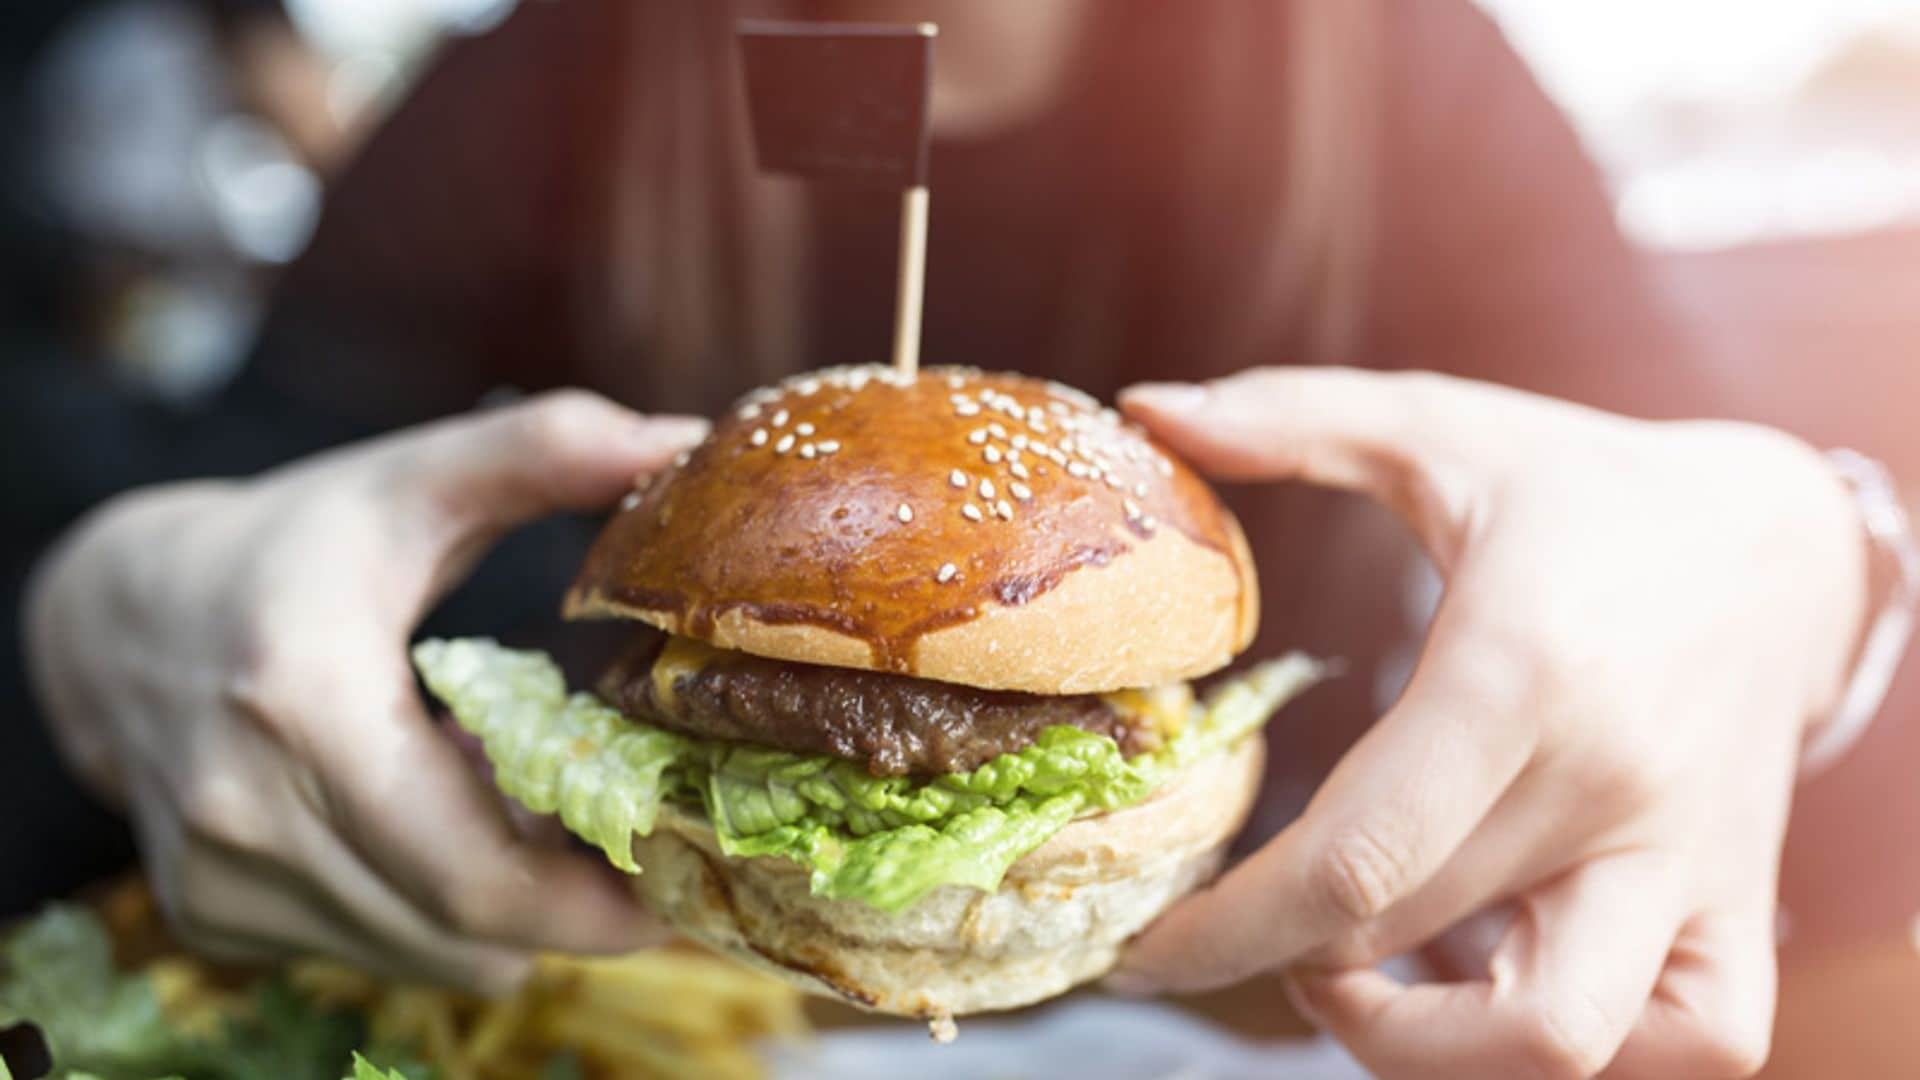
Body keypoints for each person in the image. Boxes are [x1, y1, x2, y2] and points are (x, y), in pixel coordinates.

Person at [16, 1, 1915, 1076]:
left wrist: (1814, 569)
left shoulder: (1404, 71)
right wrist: (97, 601)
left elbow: (1684, 481)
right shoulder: (530, 89)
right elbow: (225, 480)